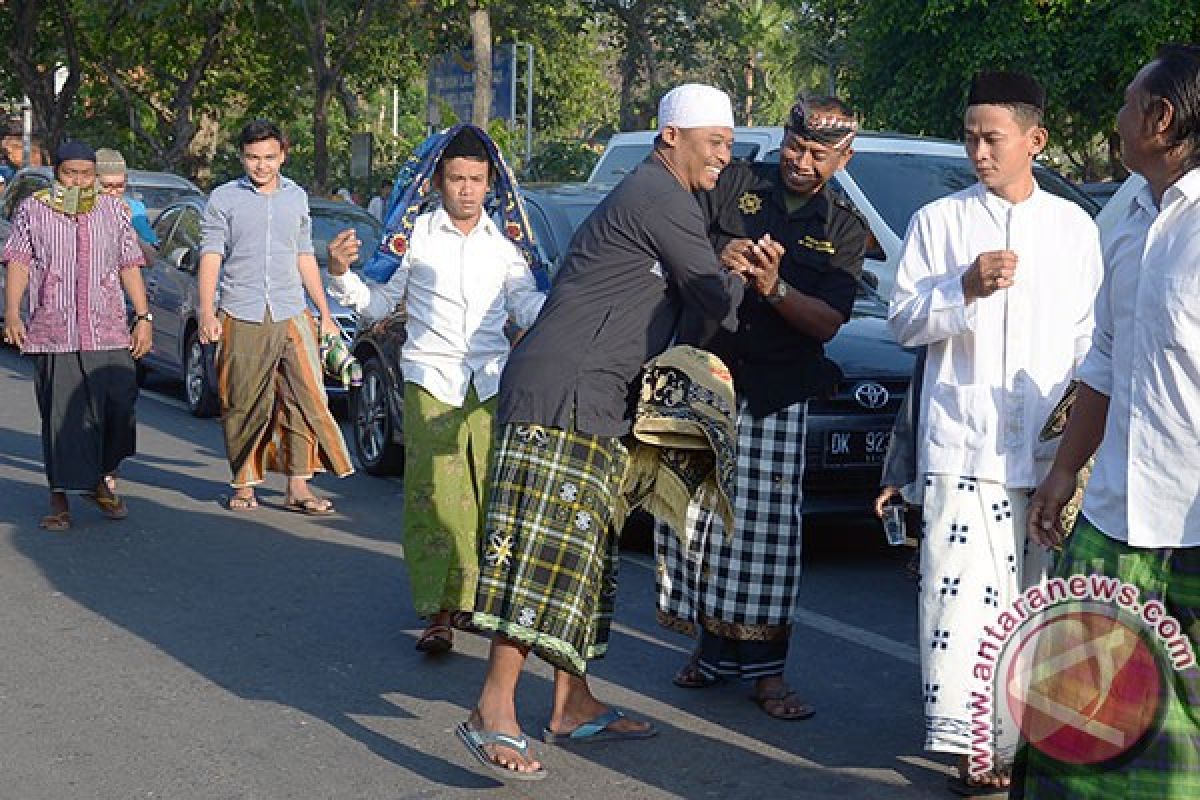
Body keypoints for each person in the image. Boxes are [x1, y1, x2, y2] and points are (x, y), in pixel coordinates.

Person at [455, 83, 772, 780]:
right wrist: (743, 273)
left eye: (728, 141)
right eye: (714, 141)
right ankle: (492, 707)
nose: (725, 154)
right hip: (562, 393)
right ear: (671, 138)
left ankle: (572, 703)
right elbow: (714, 302)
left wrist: (728, 270)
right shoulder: (659, 196)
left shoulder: (663, 198)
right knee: (541, 555)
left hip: (595, 398)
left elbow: (695, 311)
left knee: (585, 561)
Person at [887, 72, 1104, 795]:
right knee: (963, 601)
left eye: (993, 138)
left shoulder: (1075, 229)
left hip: (1046, 452)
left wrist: (1074, 444)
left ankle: (1031, 738)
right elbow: (902, 322)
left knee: (1037, 602)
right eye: (971, 136)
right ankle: (978, 749)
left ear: (1034, 141)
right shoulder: (939, 222)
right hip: (964, 446)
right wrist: (963, 289)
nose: (978, 150)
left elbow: (1090, 340)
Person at [1013, 44, 1200, 800]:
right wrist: (1064, 471)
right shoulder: (1127, 217)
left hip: (1194, 525)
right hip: (1116, 513)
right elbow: (1107, 358)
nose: (1116, 119)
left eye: (1127, 105)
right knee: (1078, 714)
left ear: (1159, 119)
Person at [655, 96, 867, 721]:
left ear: (843, 157)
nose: (801, 162)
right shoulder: (738, 181)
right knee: (696, 522)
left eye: (818, 154)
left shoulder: (845, 227)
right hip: (709, 376)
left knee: (767, 539)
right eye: (794, 147)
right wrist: (720, 254)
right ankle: (711, 649)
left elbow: (827, 323)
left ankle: (768, 675)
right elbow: (681, 232)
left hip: (780, 390)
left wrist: (774, 288)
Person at [326, 127, 545, 654]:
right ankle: (437, 611)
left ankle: (475, 601)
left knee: (486, 495)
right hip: (432, 379)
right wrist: (340, 274)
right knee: (433, 498)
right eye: (456, 179)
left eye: (475, 179)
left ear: (490, 183)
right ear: (438, 182)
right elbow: (377, 306)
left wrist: (570, 307)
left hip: (491, 381)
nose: (466, 189)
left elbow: (526, 306)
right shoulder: (416, 236)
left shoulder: (508, 247)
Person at [197, 119, 354, 512]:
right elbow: (211, 254)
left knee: (306, 396)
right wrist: (206, 310)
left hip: (291, 309)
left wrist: (325, 314)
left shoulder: (296, 197)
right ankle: (245, 483)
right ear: (242, 157)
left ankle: (298, 487)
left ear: (283, 155)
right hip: (241, 310)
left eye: (269, 157)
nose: (261, 166)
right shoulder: (223, 198)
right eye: (253, 158)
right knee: (243, 400)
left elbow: (304, 255)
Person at [2, 140, 153, 531]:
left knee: (121, 406)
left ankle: (100, 476)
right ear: (57, 172)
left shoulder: (113, 211)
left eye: (87, 175)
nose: (80, 182)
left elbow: (130, 263)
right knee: (61, 418)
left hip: (108, 329)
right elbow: (17, 260)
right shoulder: (33, 209)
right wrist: (12, 314)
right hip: (55, 330)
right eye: (72, 174)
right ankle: (60, 501)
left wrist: (144, 316)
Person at [94, 148, 158, 247]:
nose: (114, 192)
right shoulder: (82, 210)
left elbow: (152, 250)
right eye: (107, 186)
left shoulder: (135, 210)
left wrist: (128, 227)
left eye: (120, 186)